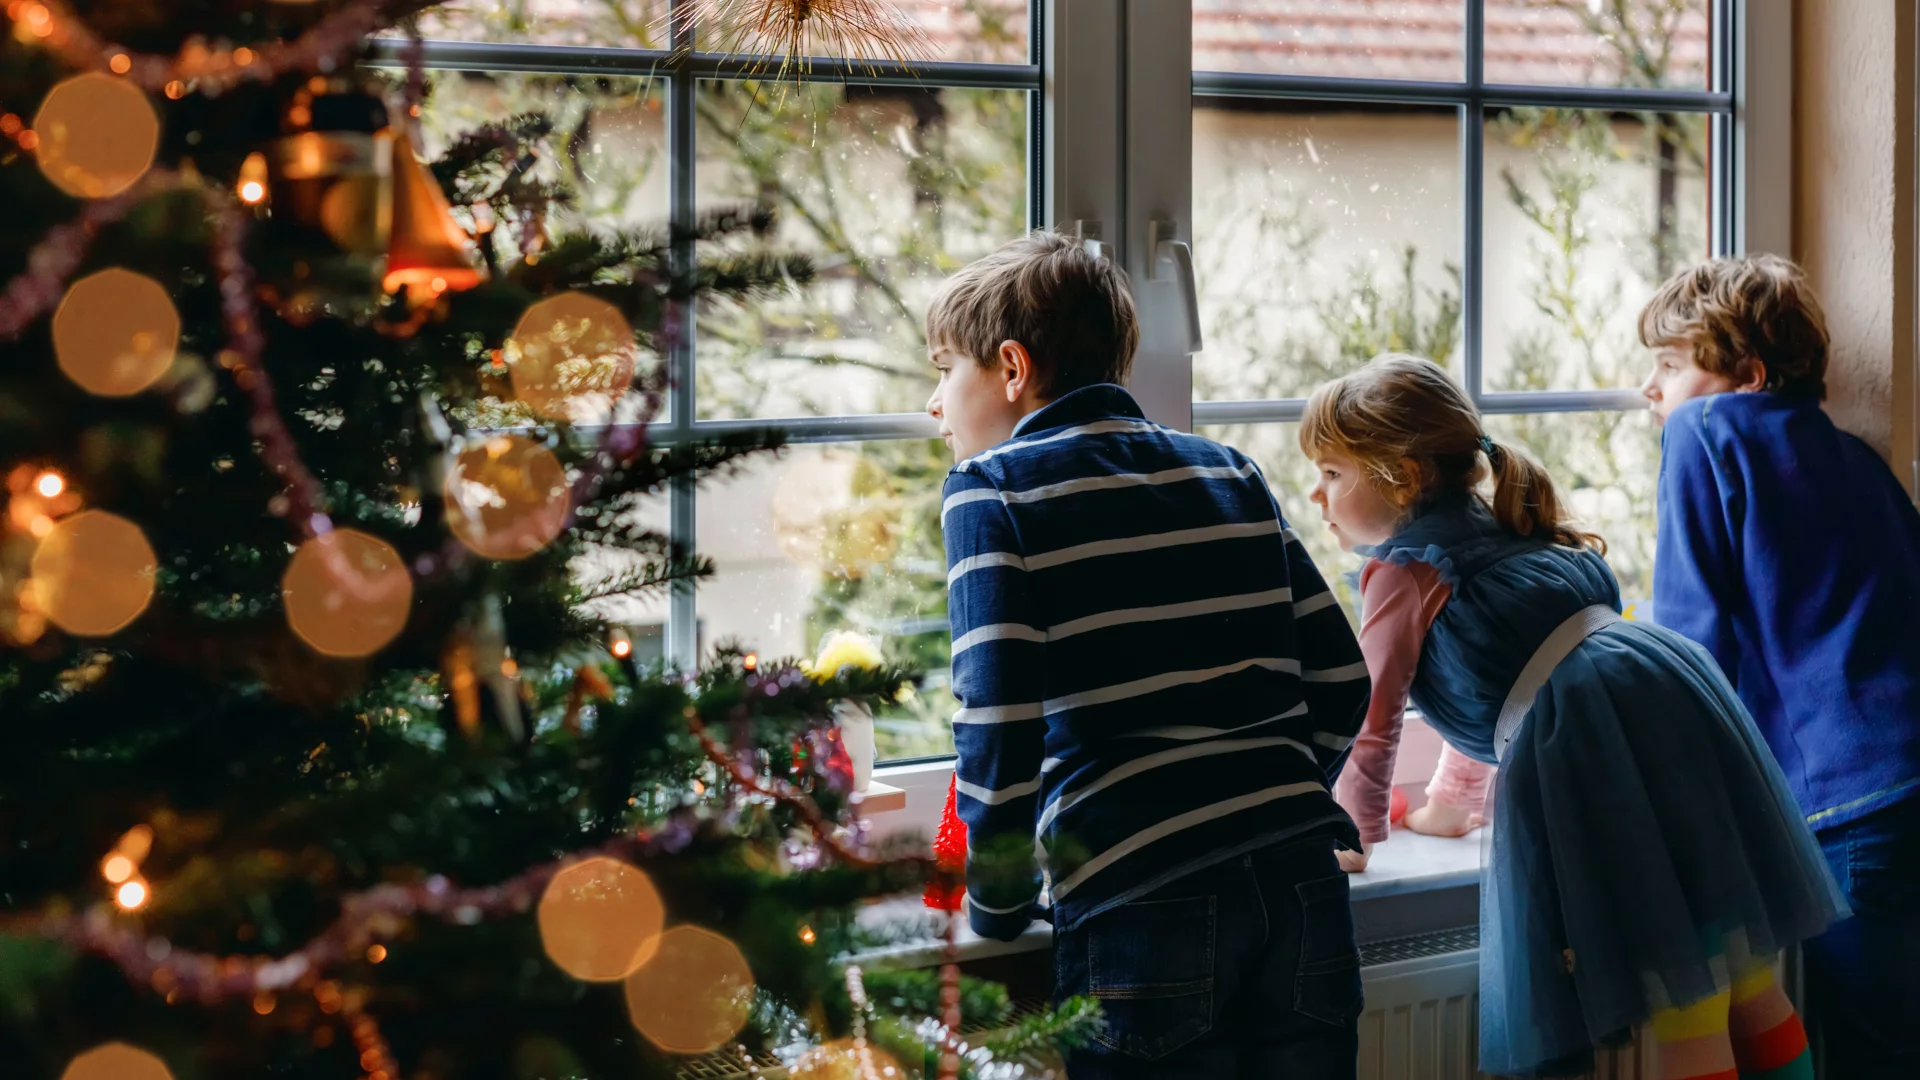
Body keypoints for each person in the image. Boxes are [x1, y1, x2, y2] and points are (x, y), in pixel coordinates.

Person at [1304, 354, 1845, 1080]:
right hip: (1676, 706)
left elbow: (1375, 720)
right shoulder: (1514, 527)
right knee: (1747, 982)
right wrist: (1451, 805)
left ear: (1401, 474)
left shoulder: (1404, 569)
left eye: (1332, 472)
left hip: (1605, 753)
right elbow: (1509, 692)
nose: (1317, 494)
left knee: (1685, 1002)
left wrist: (1357, 835)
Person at [927, 230, 1371, 1079]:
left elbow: (998, 721)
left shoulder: (991, 492)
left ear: (1012, 368)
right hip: (1300, 880)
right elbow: (1343, 678)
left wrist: (998, 900)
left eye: (945, 370)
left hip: (1140, 895)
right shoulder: (1228, 471)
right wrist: (1274, 791)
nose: (935, 405)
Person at [1640, 254, 1920, 1076]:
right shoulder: (1861, 460)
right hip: (1906, 779)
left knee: (1871, 1054)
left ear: (1749, 376)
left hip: (1855, 799)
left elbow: (1693, 639)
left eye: (1670, 365)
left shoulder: (1704, 431)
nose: (1650, 389)